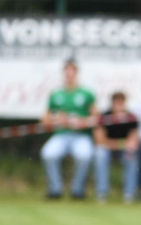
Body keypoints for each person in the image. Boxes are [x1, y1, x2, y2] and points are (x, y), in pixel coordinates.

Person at [40, 59, 98, 199]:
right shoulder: (56, 94)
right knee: (48, 153)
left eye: (72, 71)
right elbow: (45, 119)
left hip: (81, 135)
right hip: (61, 134)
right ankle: (55, 190)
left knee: (84, 155)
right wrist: (58, 119)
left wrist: (81, 122)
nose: (69, 74)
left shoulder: (86, 93)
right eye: (67, 71)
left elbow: (96, 117)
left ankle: (77, 190)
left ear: (76, 73)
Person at [93, 91, 140, 203]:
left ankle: (129, 193)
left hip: (124, 150)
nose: (119, 106)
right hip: (108, 149)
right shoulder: (104, 117)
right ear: (112, 104)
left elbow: (134, 140)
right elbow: (99, 141)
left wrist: (125, 145)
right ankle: (102, 192)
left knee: (131, 156)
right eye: (116, 103)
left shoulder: (131, 118)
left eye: (121, 103)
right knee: (100, 154)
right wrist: (120, 144)